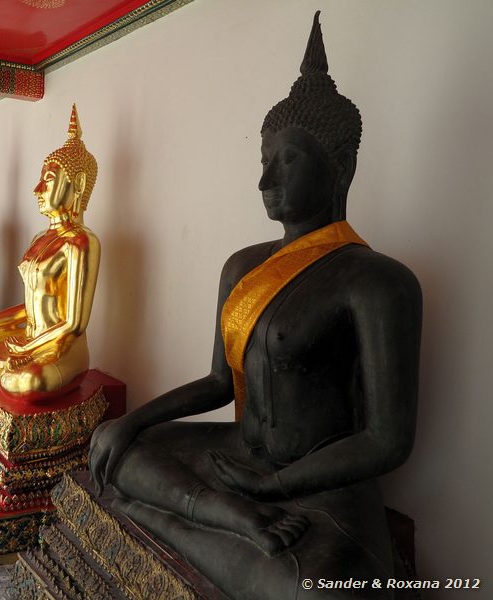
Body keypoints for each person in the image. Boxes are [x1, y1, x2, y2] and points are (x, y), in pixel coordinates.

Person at [89, 13, 421, 598]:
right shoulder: (243, 267)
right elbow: (220, 383)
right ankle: (229, 519)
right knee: (115, 450)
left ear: (341, 165)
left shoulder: (376, 282)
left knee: (320, 588)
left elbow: (386, 441)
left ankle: (201, 516)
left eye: (287, 159)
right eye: (263, 159)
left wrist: (278, 485)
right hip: (236, 455)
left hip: (316, 480)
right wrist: (132, 419)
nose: (265, 178)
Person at [0, 105, 100, 400]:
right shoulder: (39, 238)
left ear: (78, 184)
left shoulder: (82, 242)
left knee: (28, 381)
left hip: (61, 349)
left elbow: (73, 324)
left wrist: (27, 350)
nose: (37, 188)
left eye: (49, 179)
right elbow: (26, 308)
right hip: (28, 339)